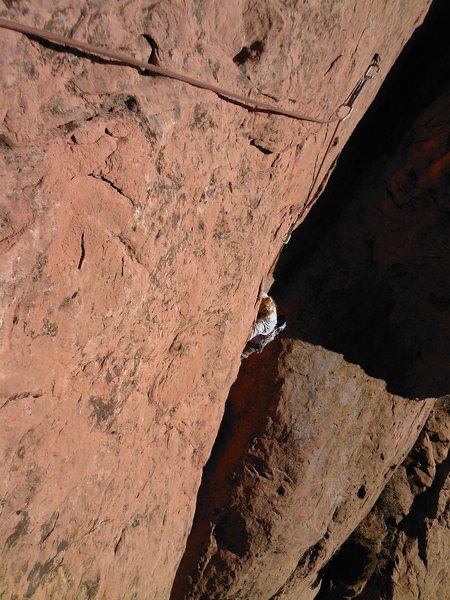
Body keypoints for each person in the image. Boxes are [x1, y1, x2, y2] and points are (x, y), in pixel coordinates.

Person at [241, 294, 285, 359]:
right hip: (259, 336)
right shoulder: (270, 305)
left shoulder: (263, 326)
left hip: (256, 343)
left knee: (244, 353)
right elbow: (263, 295)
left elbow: (248, 335)